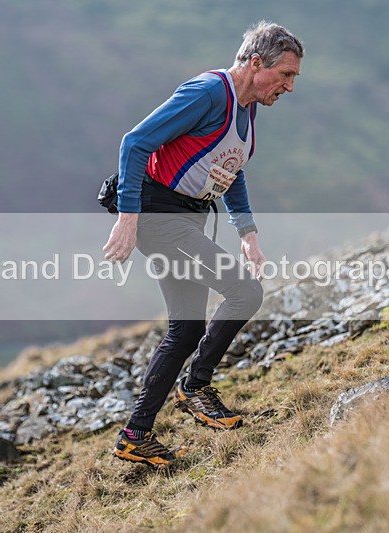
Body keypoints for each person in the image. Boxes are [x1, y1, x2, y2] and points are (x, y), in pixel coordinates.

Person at [105, 21, 304, 467]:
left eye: (294, 78)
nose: (290, 87)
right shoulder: (208, 93)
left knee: (188, 328)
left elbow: (231, 167)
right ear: (256, 63)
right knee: (245, 291)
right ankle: (196, 388)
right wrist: (127, 218)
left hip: (189, 219)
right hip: (160, 216)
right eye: (286, 75)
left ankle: (135, 436)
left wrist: (248, 235)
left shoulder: (247, 107)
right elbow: (134, 143)